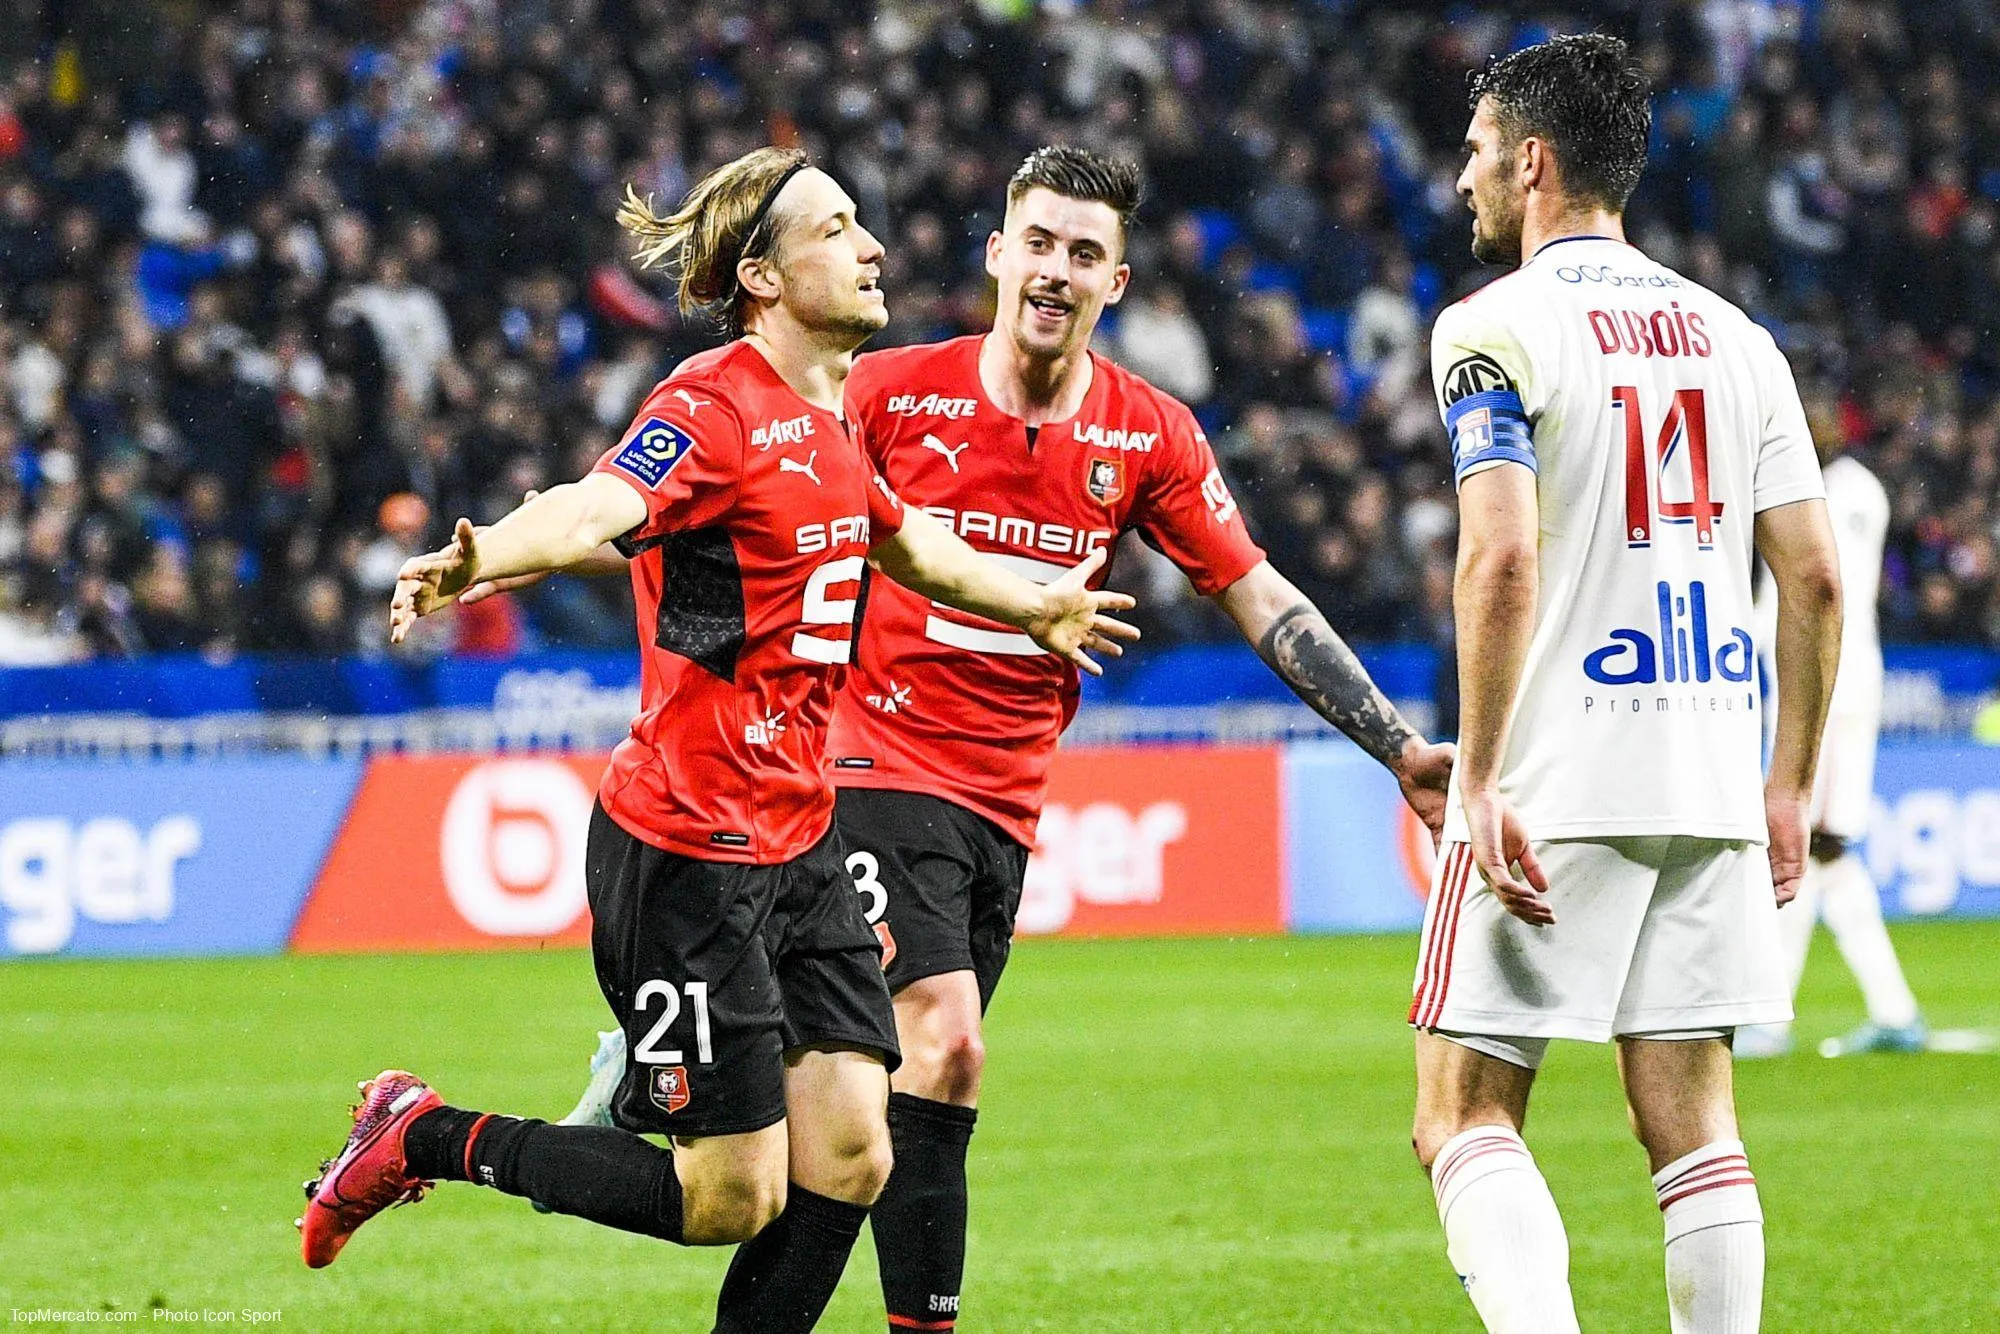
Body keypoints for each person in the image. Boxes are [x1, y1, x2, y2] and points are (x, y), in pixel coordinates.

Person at [510, 144, 1454, 1333]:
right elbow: (729, 495)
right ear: (999, 254)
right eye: (1038, 243)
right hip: (859, 766)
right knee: (944, 1042)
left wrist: (1394, 744)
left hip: (999, 808)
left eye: (1084, 254)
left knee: (853, 1143)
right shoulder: (887, 390)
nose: (1056, 270)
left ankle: (679, 1069)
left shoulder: (1148, 434)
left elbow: (1257, 593)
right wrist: (546, 539)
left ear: (1114, 282)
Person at [294, 146, 1137, 1334]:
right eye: (834, 231)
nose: (870, 247)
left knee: (854, 1149)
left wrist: (1033, 602)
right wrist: (486, 556)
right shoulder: (712, 404)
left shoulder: (832, 420)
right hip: (688, 851)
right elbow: (599, 504)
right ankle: (423, 1131)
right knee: (729, 1196)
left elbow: (906, 543)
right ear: (762, 277)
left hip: (800, 840)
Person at [1408, 36, 1841, 1334]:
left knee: (1461, 1113)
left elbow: (1498, 554)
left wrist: (1479, 773)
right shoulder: (1739, 340)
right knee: (1693, 1125)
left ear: (1532, 161)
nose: (1464, 178)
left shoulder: (1491, 327)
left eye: (1478, 152)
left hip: (1556, 777)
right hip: (1706, 771)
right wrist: (1787, 782)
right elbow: (1814, 578)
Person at [1737, 442, 1927, 1059]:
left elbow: (1820, 586)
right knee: (1820, 855)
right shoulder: (1855, 486)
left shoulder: (1834, 490)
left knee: (1813, 845)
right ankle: (1889, 1011)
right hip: (1823, 684)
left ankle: (1777, 1015)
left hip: (1827, 688)